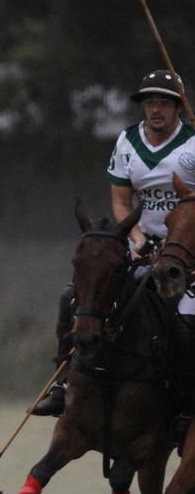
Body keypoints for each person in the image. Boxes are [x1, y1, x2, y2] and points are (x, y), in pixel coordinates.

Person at [35, 67, 195, 416]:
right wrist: (137, 240)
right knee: (73, 298)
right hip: (141, 244)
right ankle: (62, 386)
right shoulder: (126, 141)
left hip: (186, 252)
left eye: (165, 103)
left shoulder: (193, 143)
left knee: (184, 325)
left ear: (178, 107)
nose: (156, 109)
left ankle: (185, 405)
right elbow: (122, 202)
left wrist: (175, 246)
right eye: (150, 102)